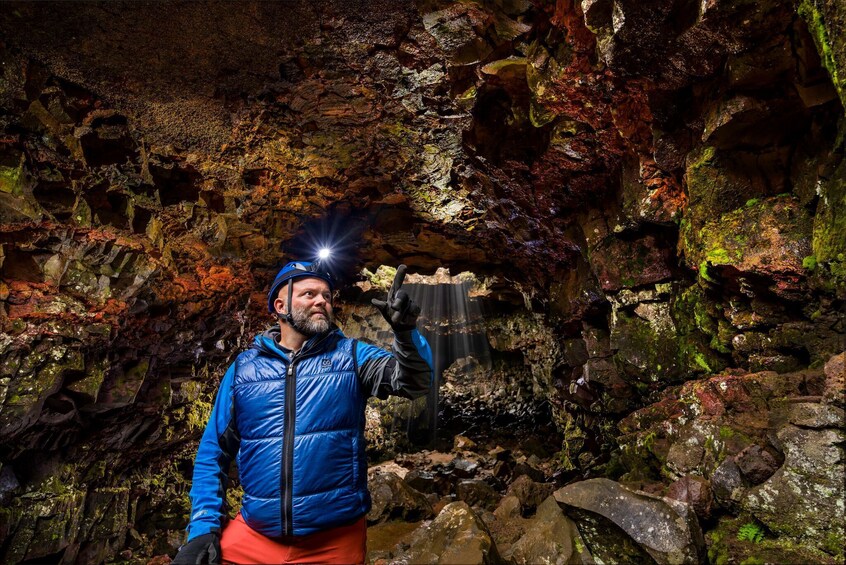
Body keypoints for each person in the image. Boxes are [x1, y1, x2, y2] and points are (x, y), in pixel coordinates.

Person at [173, 260, 432, 564]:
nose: (322, 300)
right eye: (309, 294)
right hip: (256, 536)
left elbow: (415, 382)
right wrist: (203, 528)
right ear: (280, 306)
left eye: (326, 295)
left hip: (333, 541)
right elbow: (213, 452)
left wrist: (405, 333)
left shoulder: (352, 355)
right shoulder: (244, 369)